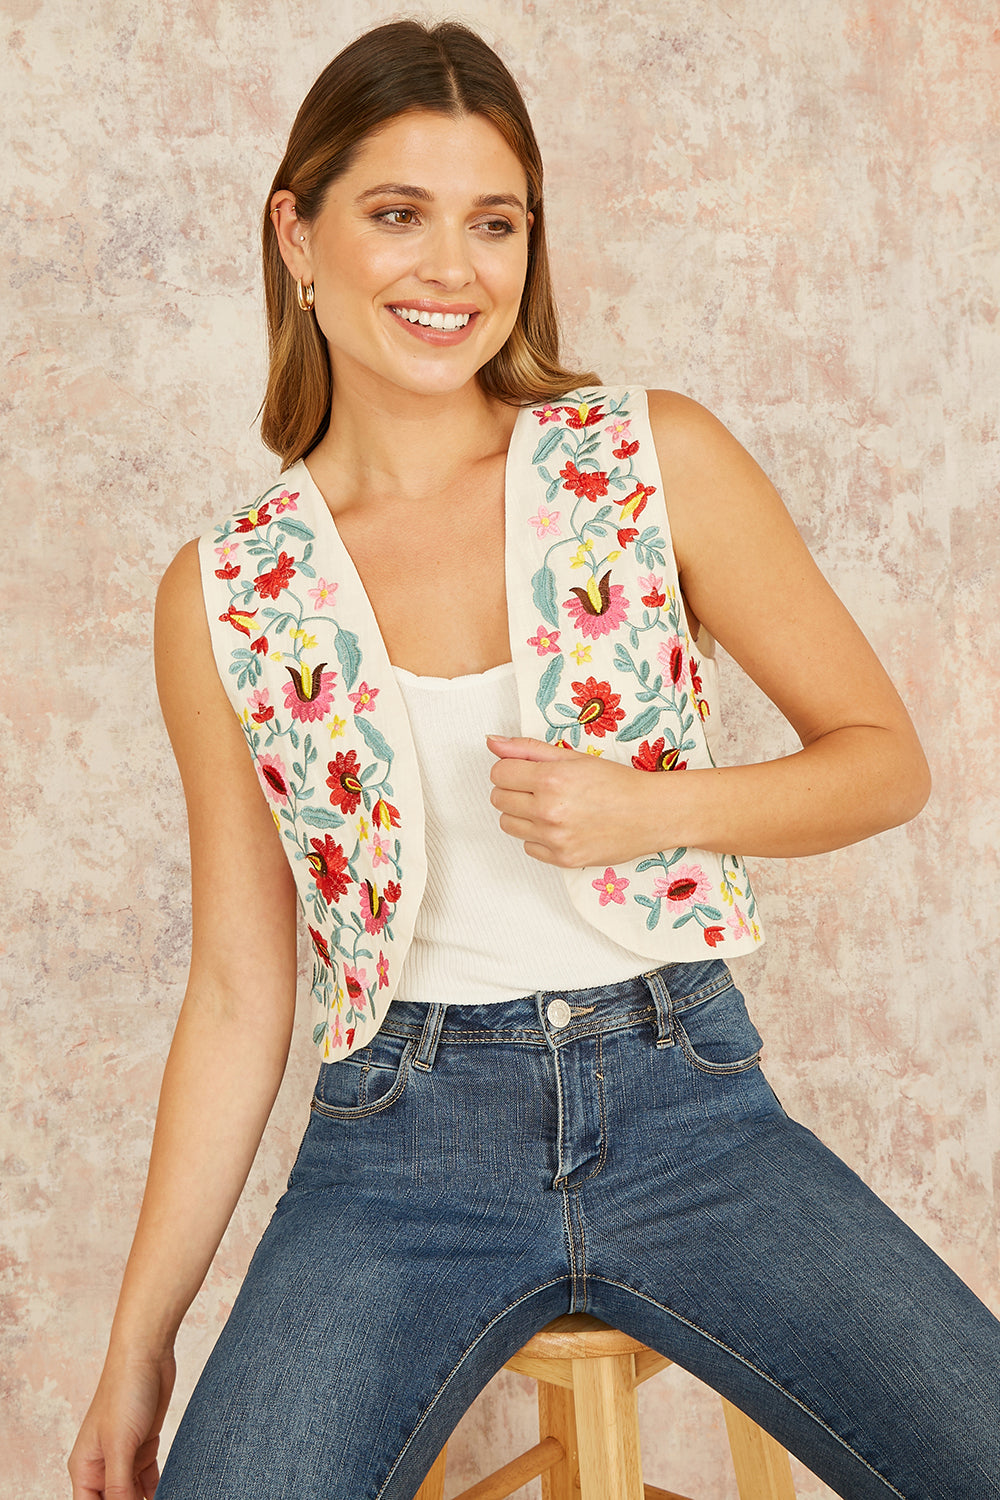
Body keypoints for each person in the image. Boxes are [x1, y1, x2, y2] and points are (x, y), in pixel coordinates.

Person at [68, 18, 1000, 1500]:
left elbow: (884, 764)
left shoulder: (650, 461)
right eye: (399, 214)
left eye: (494, 222)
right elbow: (241, 992)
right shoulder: (227, 593)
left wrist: (654, 811)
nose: (454, 269)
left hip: (688, 1107)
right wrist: (137, 1349)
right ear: (296, 237)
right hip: (396, 1157)